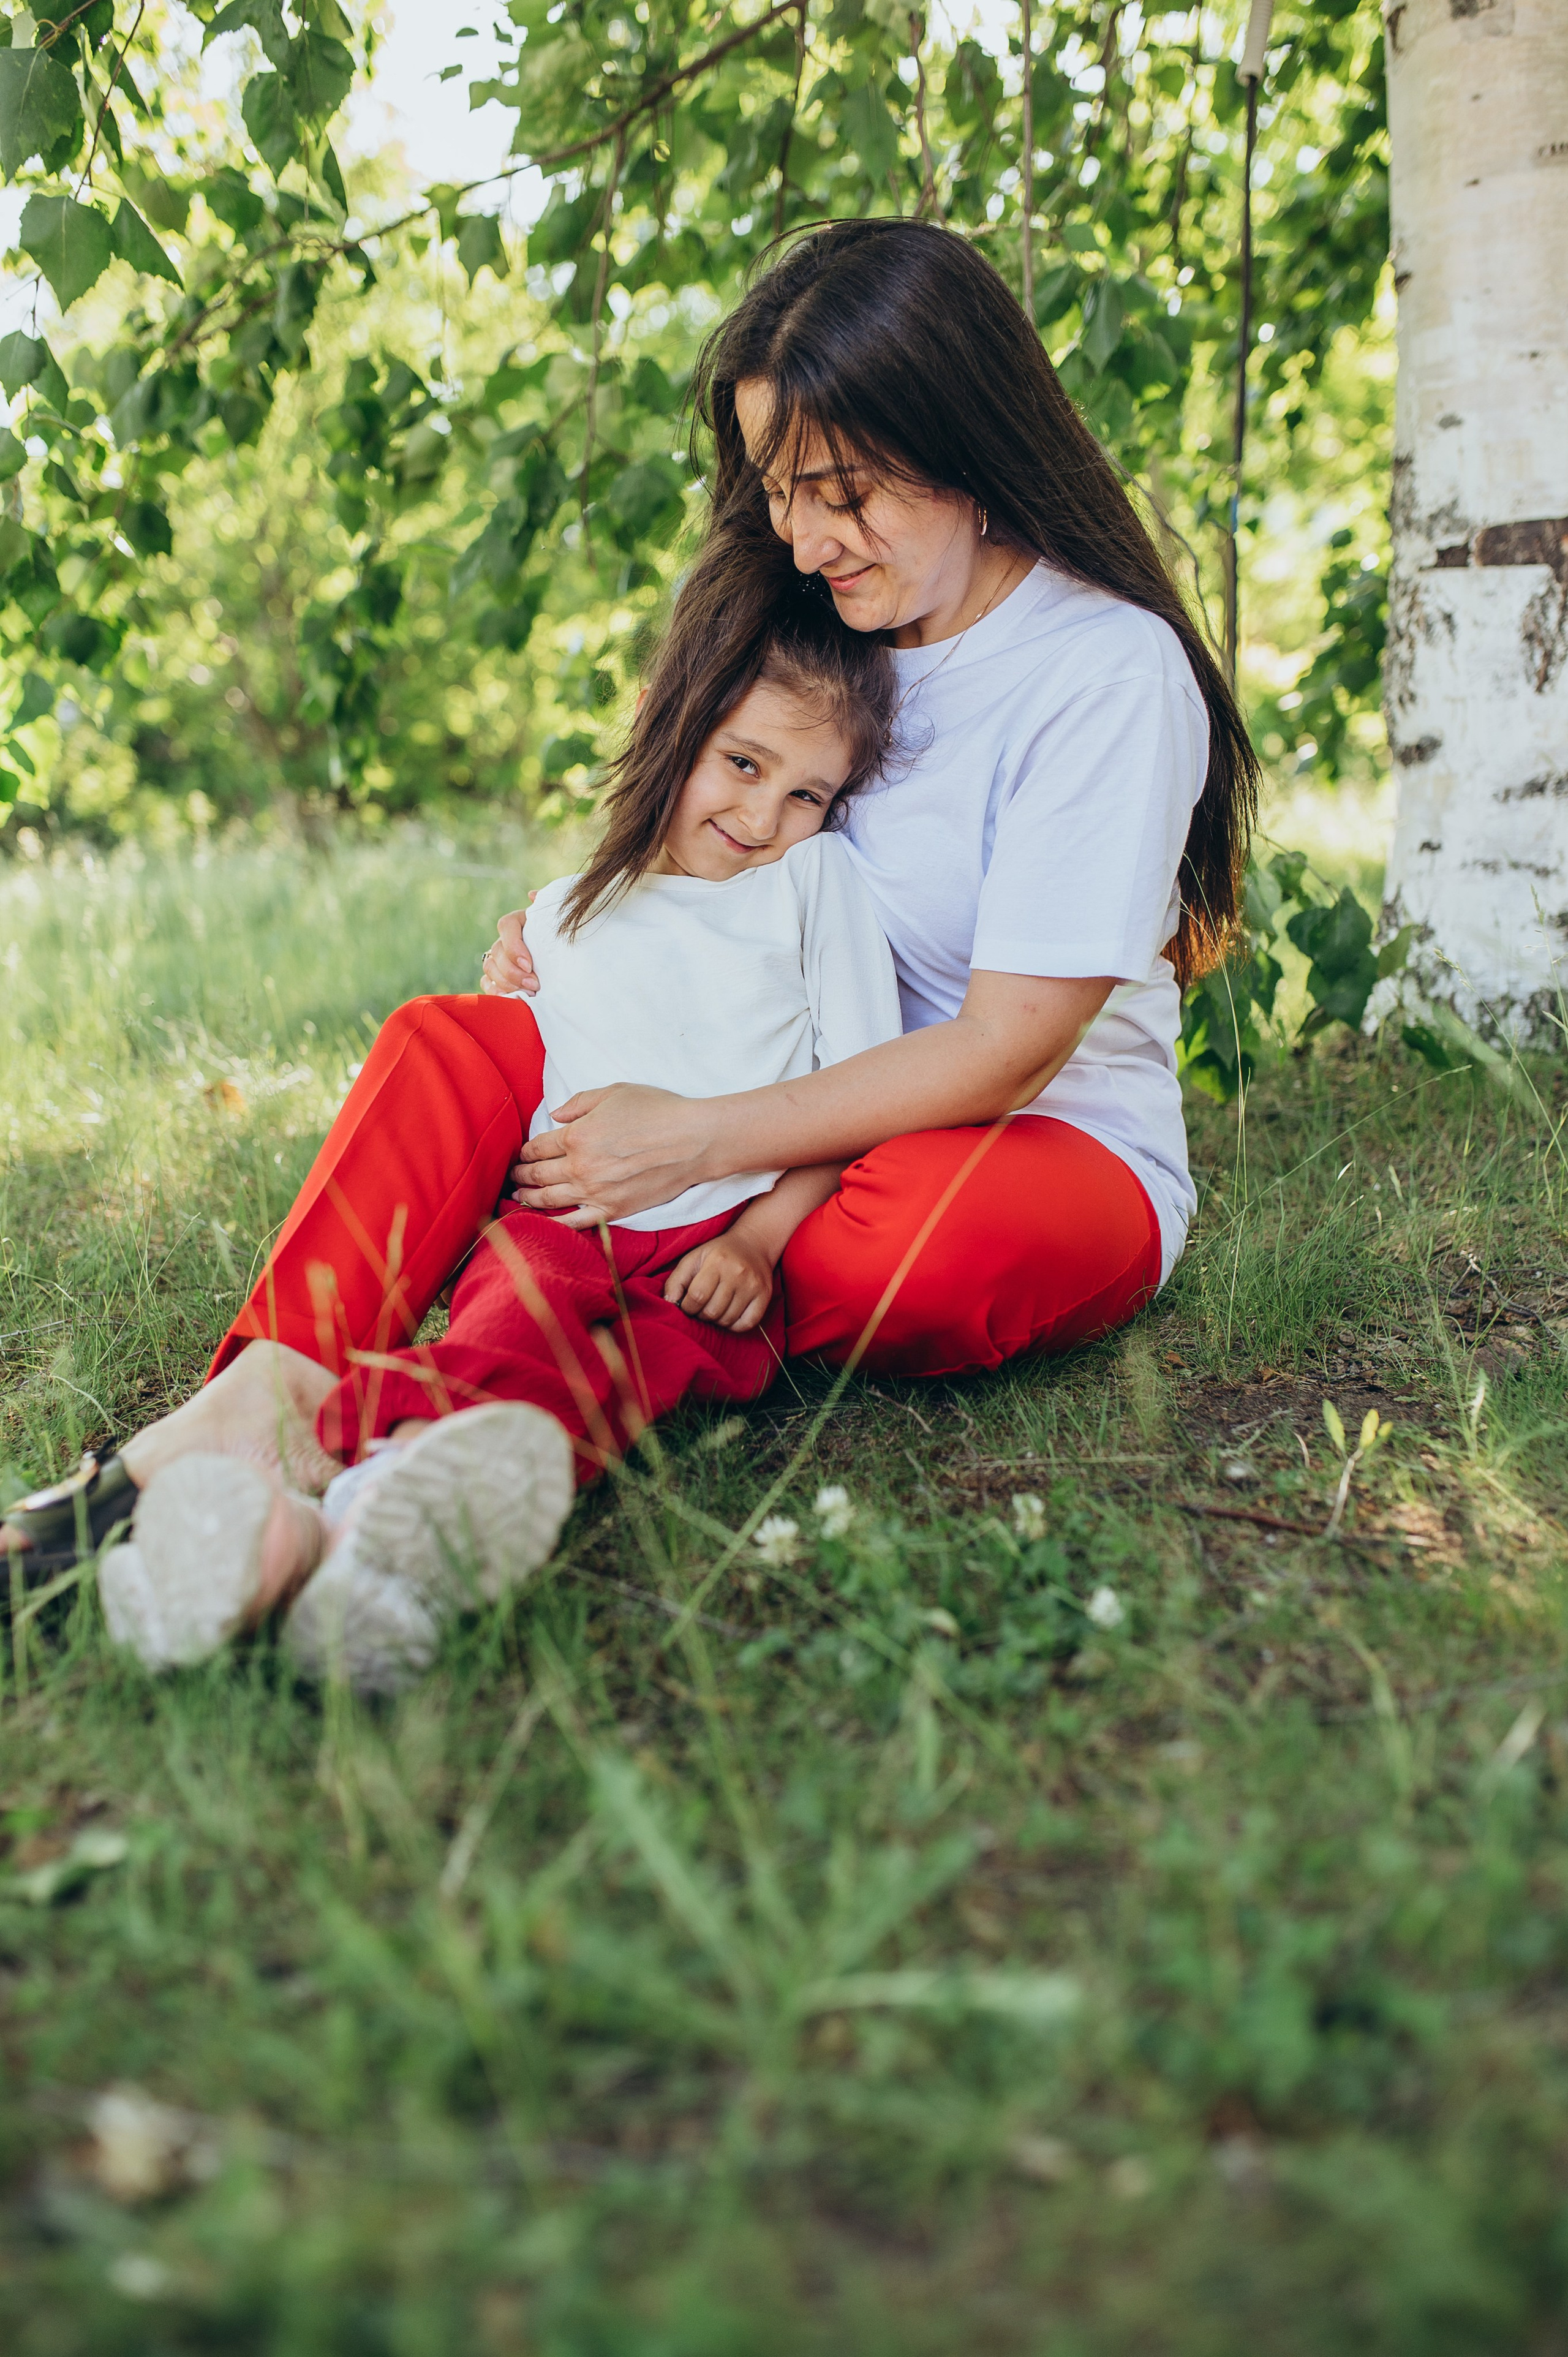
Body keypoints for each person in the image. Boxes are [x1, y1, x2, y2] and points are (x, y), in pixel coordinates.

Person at [4, 217, 1257, 1607]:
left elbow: (1010, 1048)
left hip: (1019, 1141)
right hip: (747, 1071)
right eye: (780, 492)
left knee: (896, 1241)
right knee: (458, 1047)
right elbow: (699, 814)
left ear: (963, 443)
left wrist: (696, 1142)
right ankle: (263, 1399)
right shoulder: (815, 617)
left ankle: (452, 1402)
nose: (804, 538)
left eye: (841, 492)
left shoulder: (1102, 671)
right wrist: (579, 937)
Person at [4, 545, 903, 1692]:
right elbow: (518, 1057)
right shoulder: (573, 907)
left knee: (613, 1383)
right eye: (743, 762)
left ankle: (347, 1514)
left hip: (714, 1247)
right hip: (557, 1218)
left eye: (808, 794)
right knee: (503, 1340)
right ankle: (323, 1528)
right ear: (668, 718)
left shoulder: (815, 884)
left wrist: (762, 1241)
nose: (766, 814)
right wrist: (517, 959)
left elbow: (857, 1090)